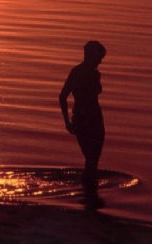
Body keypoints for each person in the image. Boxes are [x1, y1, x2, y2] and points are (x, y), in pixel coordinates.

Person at [59, 41, 107, 194]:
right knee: (92, 160)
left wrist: (67, 121)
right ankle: (89, 193)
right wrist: (67, 122)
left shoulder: (80, 72)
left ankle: (88, 192)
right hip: (88, 120)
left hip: (86, 119)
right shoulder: (88, 74)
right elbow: (62, 97)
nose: (100, 61)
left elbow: (62, 97)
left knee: (91, 159)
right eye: (99, 58)